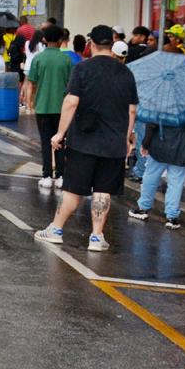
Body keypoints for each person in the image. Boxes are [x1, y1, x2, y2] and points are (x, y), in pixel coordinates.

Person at [35, 25, 138, 251]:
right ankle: (96, 237)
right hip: (113, 144)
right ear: (112, 45)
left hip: (84, 140)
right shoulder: (126, 72)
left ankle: (56, 229)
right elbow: (132, 110)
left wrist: (60, 133)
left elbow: (71, 102)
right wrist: (127, 138)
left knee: (73, 189)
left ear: (91, 44)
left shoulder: (83, 68)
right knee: (103, 191)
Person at [129, 117, 185, 230]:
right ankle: (172, 217)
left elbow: (152, 124)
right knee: (176, 182)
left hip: (159, 143)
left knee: (151, 176)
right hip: (182, 145)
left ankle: (143, 208)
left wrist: (145, 144)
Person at [25, 26, 72, 190]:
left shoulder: (38, 59)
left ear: (44, 39)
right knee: (61, 142)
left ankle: (46, 175)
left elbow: (31, 83)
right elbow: (70, 85)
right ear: (60, 40)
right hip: (62, 108)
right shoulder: (66, 59)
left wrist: (29, 103)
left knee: (46, 142)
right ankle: (61, 176)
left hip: (43, 107)